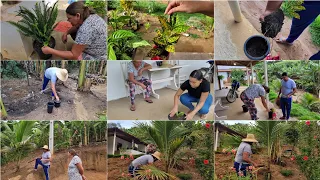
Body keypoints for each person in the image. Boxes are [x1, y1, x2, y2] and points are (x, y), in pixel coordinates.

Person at [42, 2, 107, 60]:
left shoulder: (85, 30)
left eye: (69, 18)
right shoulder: (90, 15)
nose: (68, 20)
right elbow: (77, 26)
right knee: (73, 31)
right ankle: (79, 47)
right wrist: (66, 33)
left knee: (76, 56)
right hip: (100, 46)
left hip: (98, 56)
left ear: (77, 15)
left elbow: (74, 55)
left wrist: (50, 51)